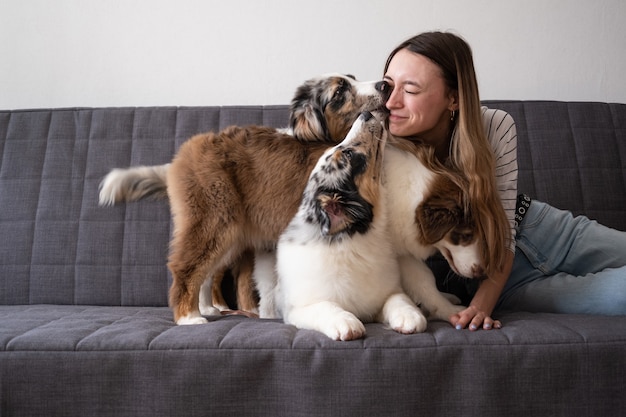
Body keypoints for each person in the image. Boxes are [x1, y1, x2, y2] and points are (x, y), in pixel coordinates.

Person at [382, 31, 626, 331]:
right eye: (388, 86)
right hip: (496, 277)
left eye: (411, 89)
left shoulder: (495, 125)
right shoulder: (379, 146)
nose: (391, 102)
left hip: (545, 229)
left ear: (454, 98)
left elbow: (505, 227)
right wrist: (480, 304)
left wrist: (483, 305)